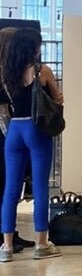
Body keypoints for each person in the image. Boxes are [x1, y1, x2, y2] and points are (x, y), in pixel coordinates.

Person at [0, 29, 63, 262]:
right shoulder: (42, 71)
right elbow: (57, 99)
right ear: (33, 48)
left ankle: (6, 247)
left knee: (10, 190)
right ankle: (41, 244)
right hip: (36, 130)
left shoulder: (7, 73)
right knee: (40, 188)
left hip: (14, 131)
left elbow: (6, 106)